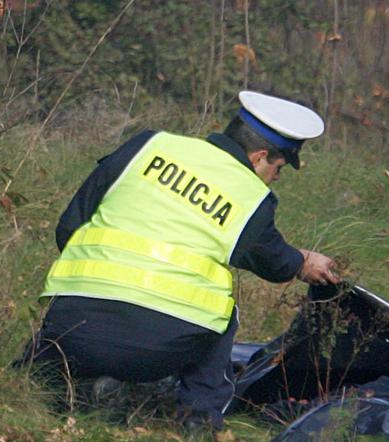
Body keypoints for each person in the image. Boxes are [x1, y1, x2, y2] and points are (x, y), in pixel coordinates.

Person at [17, 91, 341, 430]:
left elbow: (70, 226)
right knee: (218, 307)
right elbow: (273, 262)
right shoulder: (250, 194)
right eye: (278, 168)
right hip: (157, 352)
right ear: (260, 157)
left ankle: (45, 387)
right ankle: (199, 422)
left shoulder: (148, 146)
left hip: (72, 331)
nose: (276, 177)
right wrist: (303, 262)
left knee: (58, 346)